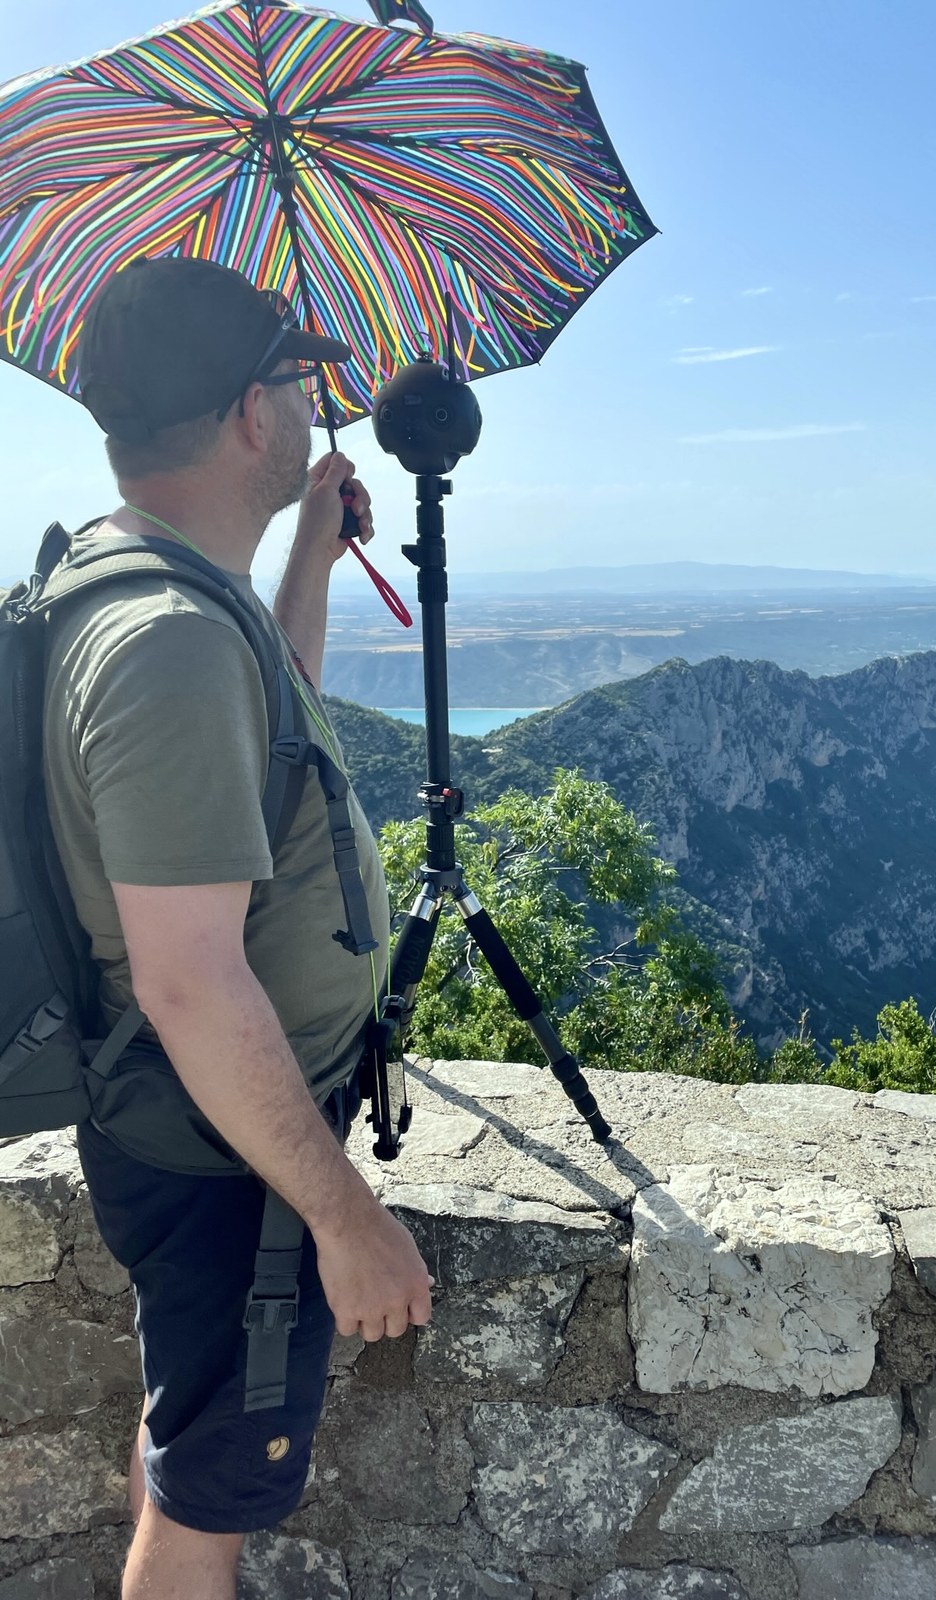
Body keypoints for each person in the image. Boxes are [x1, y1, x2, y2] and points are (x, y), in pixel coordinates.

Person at [42, 257, 433, 1598]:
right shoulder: (166, 643)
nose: (316, 405)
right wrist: (347, 1218)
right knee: (205, 1509)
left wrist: (311, 552)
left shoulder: (159, 593)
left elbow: (255, 753)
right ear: (249, 416)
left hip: (190, 1130)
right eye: (297, 380)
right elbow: (193, 982)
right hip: (227, 1163)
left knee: (188, 1452)